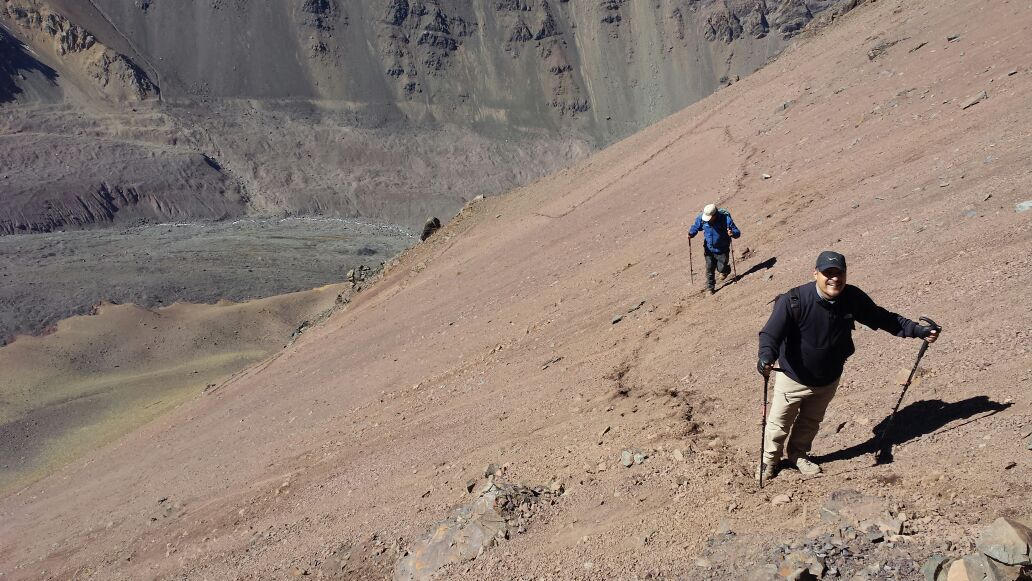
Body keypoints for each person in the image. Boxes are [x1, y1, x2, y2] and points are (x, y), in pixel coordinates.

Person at [756, 251, 939, 480]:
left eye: (839, 273)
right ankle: (769, 460)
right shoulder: (793, 300)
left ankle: (798, 454)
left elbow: (882, 318)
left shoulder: (852, 297)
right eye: (828, 273)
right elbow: (770, 334)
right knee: (778, 424)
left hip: (828, 378)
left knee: (811, 422)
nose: (834, 279)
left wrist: (917, 330)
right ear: (815, 274)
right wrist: (766, 356)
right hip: (793, 377)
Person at [687, 203, 741, 294]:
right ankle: (710, 288)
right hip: (708, 248)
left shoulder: (725, 219)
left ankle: (725, 270)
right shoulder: (702, 218)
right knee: (709, 268)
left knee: (721, 268)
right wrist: (691, 233)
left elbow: (737, 233)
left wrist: (732, 233)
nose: (707, 220)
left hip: (722, 249)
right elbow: (696, 226)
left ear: (715, 215)